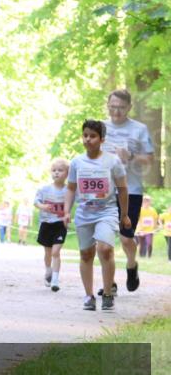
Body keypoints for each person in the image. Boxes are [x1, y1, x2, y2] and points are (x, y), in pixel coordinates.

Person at [64, 120, 129, 312]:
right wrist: (67, 211)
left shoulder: (112, 161)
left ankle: (108, 293)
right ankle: (89, 296)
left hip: (107, 212)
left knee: (105, 249)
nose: (88, 139)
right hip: (84, 213)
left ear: (102, 139)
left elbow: (123, 189)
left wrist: (124, 215)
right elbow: (70, 188)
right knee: (86, 254)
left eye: (92, 136)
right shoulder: (76, 162)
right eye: (85, 135)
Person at [102, 89, 155, 294]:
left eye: (121, 108)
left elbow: (149, 158)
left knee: (126, 238)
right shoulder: (101, 127)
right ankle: (110, 284)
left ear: (129, 108)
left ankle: (132, 265)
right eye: (113, 107)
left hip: (130, 190)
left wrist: (131, 156)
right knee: (104, 241)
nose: (116, 112)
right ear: (107, 105)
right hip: (104, 191)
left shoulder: (139, 129)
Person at [34, 158, 69, 292]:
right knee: (48, 252)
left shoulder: (69, 190)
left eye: (60, 170)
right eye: (54, 170)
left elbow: (74, 202)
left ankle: (55, 279)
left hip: (60, 224)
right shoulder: (44, 189)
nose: (56, 173)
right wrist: (43, 206)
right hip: (46, 223)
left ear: (67, 173)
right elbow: (36, 202)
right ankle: (48, 270)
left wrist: (67, 214)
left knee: (56, 252)